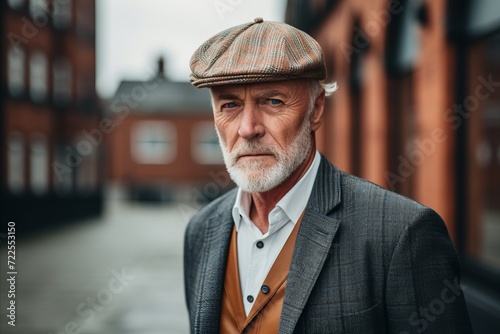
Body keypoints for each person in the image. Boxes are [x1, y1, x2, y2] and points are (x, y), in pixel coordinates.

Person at [184, 18, 473, 333]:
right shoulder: (202, 231)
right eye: (229, 105)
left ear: (316, 109)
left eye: (273, 101)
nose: (248, 128)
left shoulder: (401, 234)